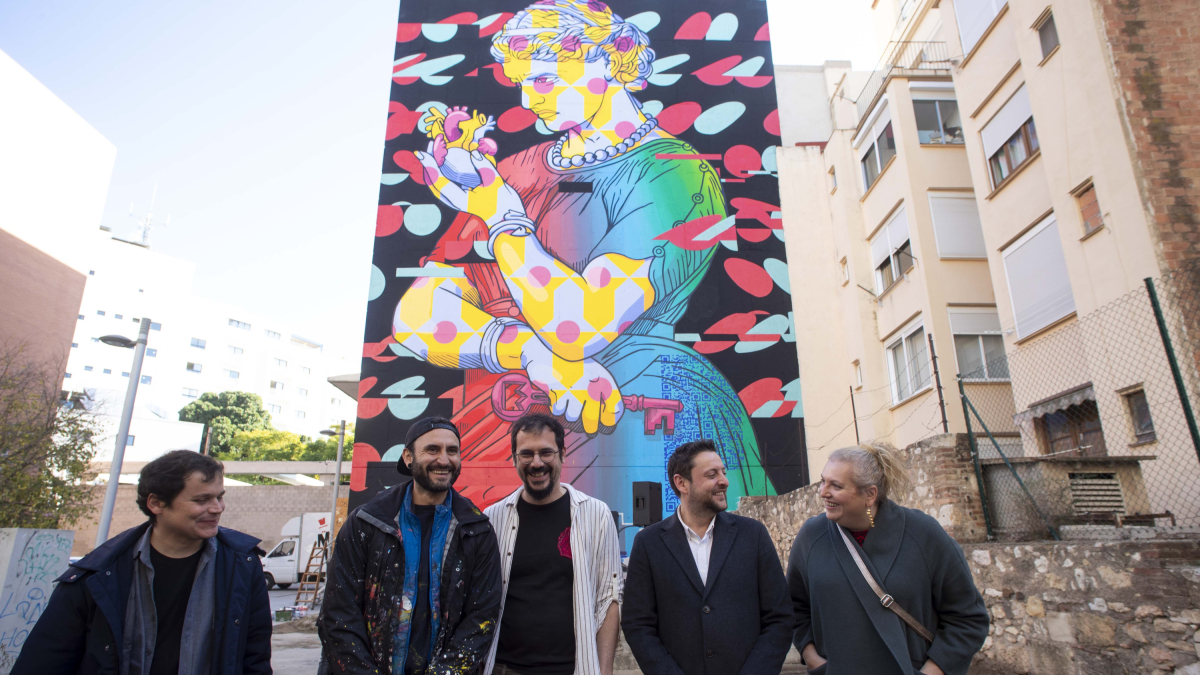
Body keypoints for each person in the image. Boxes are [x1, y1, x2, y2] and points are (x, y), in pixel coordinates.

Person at [393, 0, 783, 512]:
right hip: (499, 432)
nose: (532, 100)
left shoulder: (672, 175)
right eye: (524, 84)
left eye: (548, 81)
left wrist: (505, 220)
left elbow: (577, 325)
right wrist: (533, 356)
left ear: (606, 59)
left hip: (626, 419)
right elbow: (415, 316)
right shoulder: (513, 170)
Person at [12, 450, 271, 675]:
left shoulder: (243, 565)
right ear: (156, 503)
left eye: (219, 497)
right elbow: (45, 662)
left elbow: (255, 659)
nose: (217, 508)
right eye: (201, 500)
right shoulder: (97, 574)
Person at [319, 417, 501, 675]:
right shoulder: (366, 523)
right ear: (408, 457)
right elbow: (338, 613)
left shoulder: (477, 530)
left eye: (452, 451)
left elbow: (482, 617)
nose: (444, 460)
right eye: (432, 450)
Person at [787, 444, 990, 675]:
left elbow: (968, 618)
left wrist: (933, 671)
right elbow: (794, 607)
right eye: (823, 481)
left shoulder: (924, 534)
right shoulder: (811, 536)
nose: (823, 492)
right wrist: (812, 657)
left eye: (836, 485)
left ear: (870, 494)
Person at [622, 440, 792, 675]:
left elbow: (780, 617)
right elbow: (637, 624)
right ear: (682, 483)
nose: (724, 480)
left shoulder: (753, 535)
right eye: (712, 474)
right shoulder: (648, 543)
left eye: (723, 472)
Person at [483, 413, 623, 675]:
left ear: (562, 453)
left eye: (546, 452)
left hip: (572, 668)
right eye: (526, 454)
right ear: (514, 458)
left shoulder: (595, 514)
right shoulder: (493, 518)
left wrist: (604, 671)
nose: (536, 463)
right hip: (504, 668)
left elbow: (609, 598)